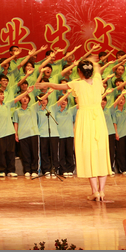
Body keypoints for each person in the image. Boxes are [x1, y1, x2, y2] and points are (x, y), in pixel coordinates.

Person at [35, 52, 113, 202]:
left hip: (85, 118)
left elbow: (59, 86)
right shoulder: (98, 81)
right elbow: (97, 69)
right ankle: (101, 191)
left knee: (88, 153)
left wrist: (47, 84)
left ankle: (95, 192)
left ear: (79, 71)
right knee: (100, 153)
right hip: (98, 118)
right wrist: (93, 61)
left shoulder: (77, 84)